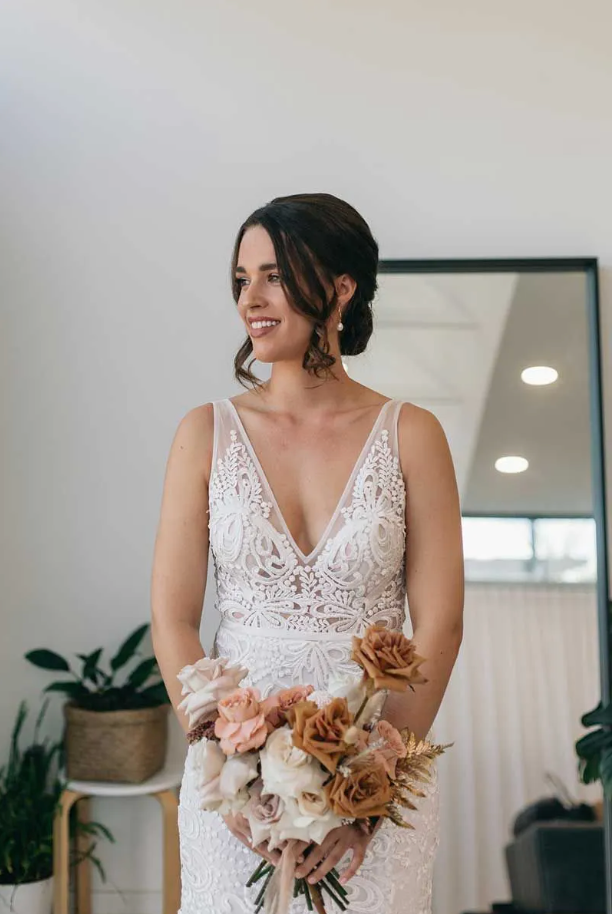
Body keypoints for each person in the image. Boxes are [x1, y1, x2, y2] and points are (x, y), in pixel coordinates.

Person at [150, 192, 464, 914]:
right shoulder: (205, 432)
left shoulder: (411, 434)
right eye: (240, 279)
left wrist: (370, 792)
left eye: (272, 276)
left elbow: (439, 626)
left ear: (340, 287)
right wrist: (225, 769)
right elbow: (172, 618)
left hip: (374, 787)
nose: (248, 300)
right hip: (230, 791)